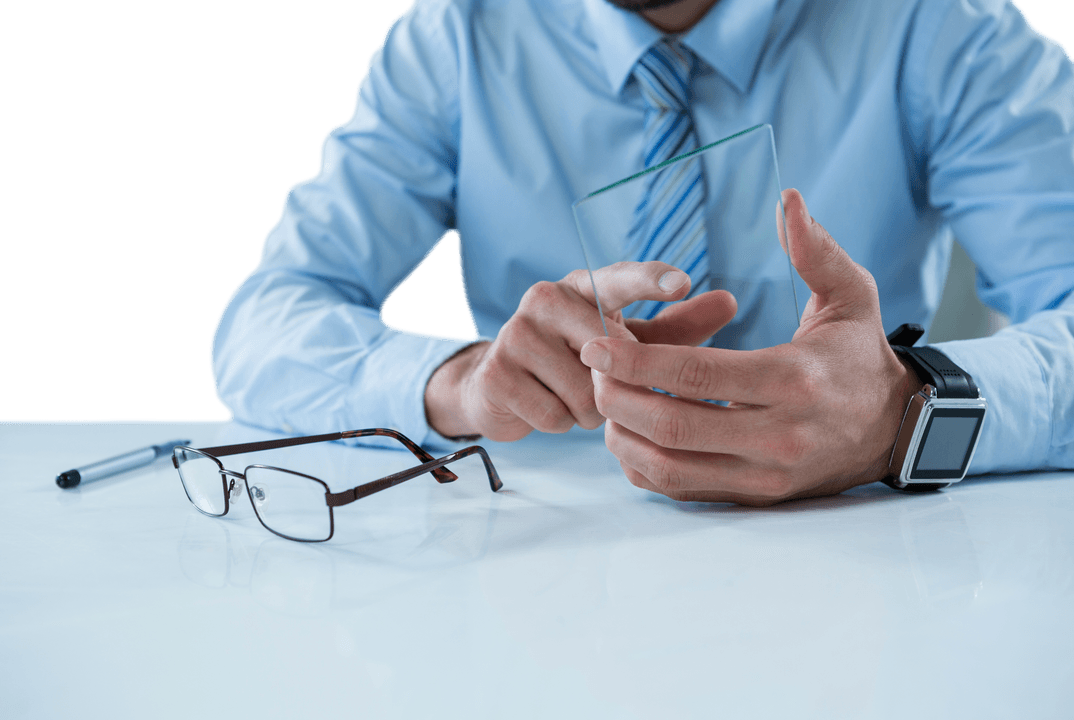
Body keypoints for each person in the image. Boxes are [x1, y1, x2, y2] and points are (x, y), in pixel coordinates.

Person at [210, 0, 1074, 505]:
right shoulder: (457, 36)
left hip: (875, 566)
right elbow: (262, 324)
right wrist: (461, 382)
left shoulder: (942, 29)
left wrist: (908, 414)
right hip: (534, 572)